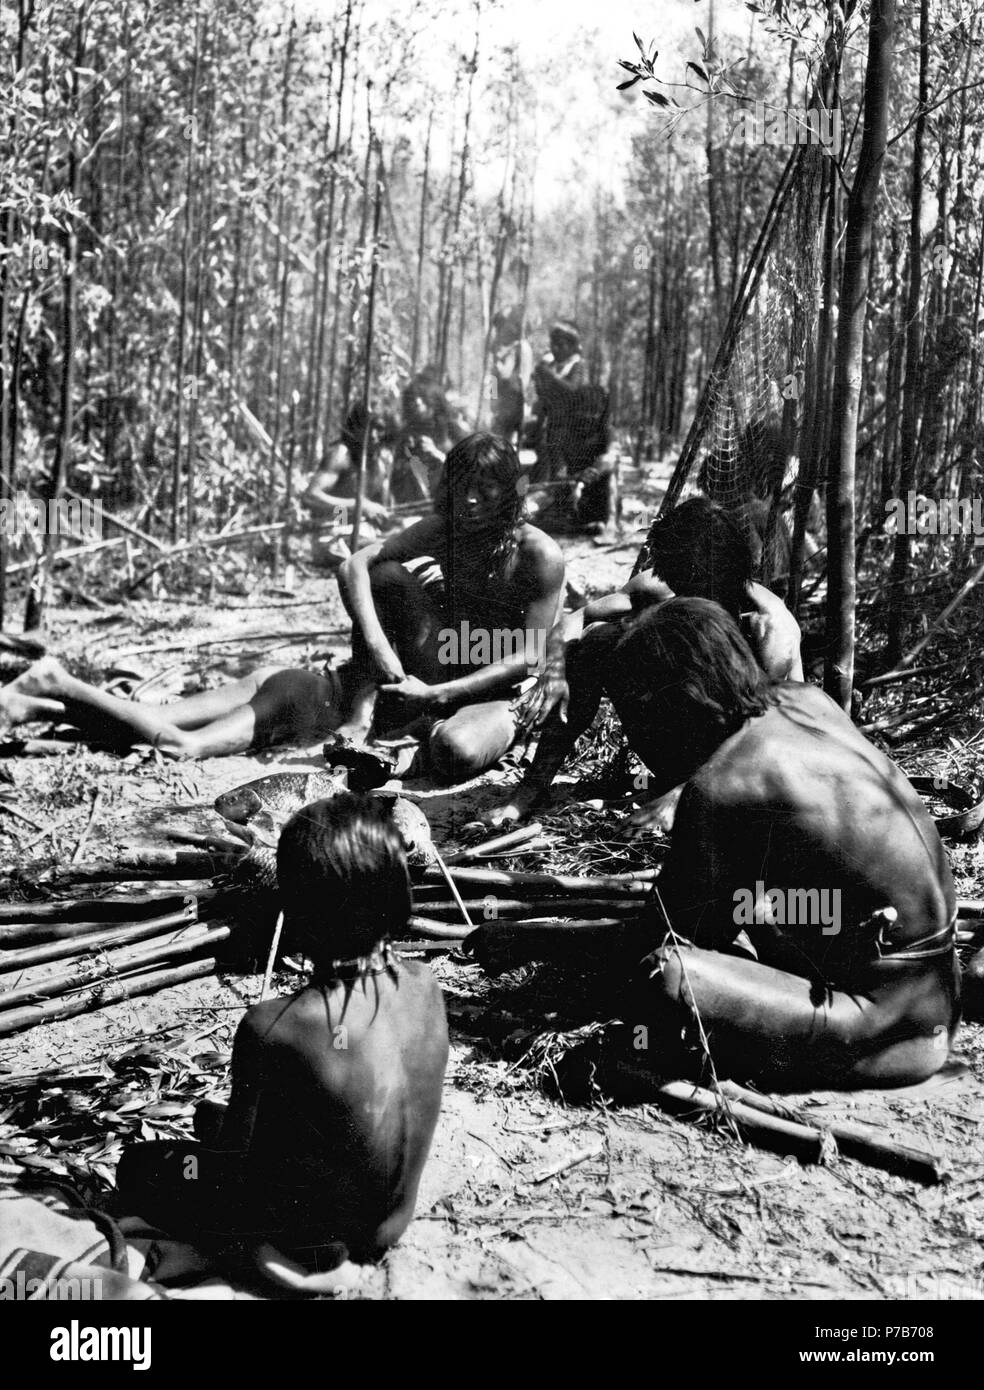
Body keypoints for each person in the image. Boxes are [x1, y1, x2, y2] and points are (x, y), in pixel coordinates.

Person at [471, 598, 960, 1091]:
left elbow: (664, 938)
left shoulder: (726, 784)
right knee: (754, 910)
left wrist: (534, 940)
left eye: (635, 714)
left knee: (667, 977)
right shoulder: (805, 701)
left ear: (667, 701)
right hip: (937, 991)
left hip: (881, 1028)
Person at [116, 794, 449, 1289]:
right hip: (391, 1221)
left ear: (297, 909)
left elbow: (236, 1162)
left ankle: (249, 1256)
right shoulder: (425, 983)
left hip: (303, 1243)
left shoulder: (275, 1026)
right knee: (215, 1117)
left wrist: (199, 1157)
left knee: (150, 1165)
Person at [483, 496, 802, 827]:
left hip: (758, 767)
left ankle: (680, 795)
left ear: (728, 575)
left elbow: (775, 736)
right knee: (597, 640)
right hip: (684, 753)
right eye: (682, 589)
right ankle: (530, 792)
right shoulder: (662, 587)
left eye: (702, 590)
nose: (692, 601)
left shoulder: (769, 629)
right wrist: (556, 671)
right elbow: (578, 619)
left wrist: (683, 796)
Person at [330, 432, 566, 784]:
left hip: (500, 683)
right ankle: (362, 715)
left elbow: (531, 655)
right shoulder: (445, 529)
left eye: (486, 488)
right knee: (386, 575)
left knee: (457, 750)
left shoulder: (538, 554)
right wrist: (381, 650)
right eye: (462, 486)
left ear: (512, 490)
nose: (470, 500)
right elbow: (354, 566)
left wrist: (438, 693)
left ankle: (421, 735)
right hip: (447, 657)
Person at [0, 655, 355, 759]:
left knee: (151, 720)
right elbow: (357, 725)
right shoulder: (404, 655)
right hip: (305, 698)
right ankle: (58, 682)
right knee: (184, 746)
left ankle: (31, 707)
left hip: (293, 679)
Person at [489, 307, 534, 444]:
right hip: (507, 398)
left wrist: (498, 365)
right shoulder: (505, 346)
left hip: (514, 398)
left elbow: (503, 374)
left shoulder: (519, 347)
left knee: (502, 435)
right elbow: (494, 378)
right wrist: (493, 396)